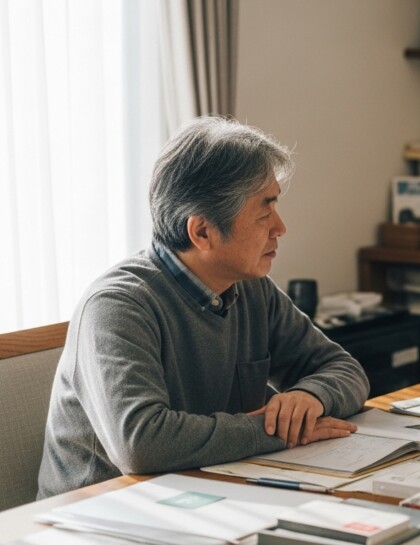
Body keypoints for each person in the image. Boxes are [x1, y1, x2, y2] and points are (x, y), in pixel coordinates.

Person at [37, 117, 370, 498]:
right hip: (97, 517)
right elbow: (142, 443)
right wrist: (278, 430)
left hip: (205, 495)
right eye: (264, 212)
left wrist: (311, 398)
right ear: (202, 232)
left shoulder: (252, 289)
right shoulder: (117, 306)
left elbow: (344, 369)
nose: (281, 227)